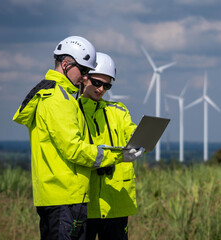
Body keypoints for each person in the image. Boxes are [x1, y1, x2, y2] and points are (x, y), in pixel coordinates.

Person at [12, 36, 143, 240]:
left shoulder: (55, 96)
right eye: (84, 72)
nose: (83, 77)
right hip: (66, 195)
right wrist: (117, 156)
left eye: (107, 86)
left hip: (67, 197)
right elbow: (73, 148)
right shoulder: (59, 99)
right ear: (66, 64)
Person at [78, 52, 144, 240]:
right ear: (84, 77)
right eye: (97, 83)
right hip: (85, 203)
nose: (101, 89)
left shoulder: (119, 110)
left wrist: (138, 137)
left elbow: (131, 132)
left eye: (107, 85)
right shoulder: (72, 110)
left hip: (116, 203)